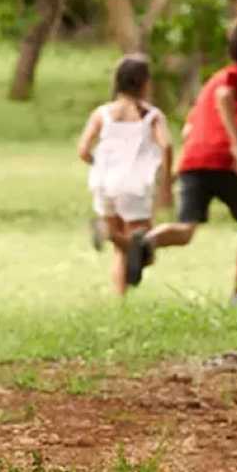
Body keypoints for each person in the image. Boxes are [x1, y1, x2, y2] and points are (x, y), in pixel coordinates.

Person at [127, 16, 237, 306]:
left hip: (194, 160)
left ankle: (147, 242)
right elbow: (225, 98)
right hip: (225, 161)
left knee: (185, 231)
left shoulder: (213, 79)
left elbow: (190, 128)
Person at [77, 54, 172, 295]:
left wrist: (99, 165)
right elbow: (167, 145)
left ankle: (120, 300)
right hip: (135, 186)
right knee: (145, 249)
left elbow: (83, 150)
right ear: (144, 83)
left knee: (123, 249)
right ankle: (109, 233)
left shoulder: (102, 113)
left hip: (104, 183)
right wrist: (166, 182)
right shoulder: (151, 116)